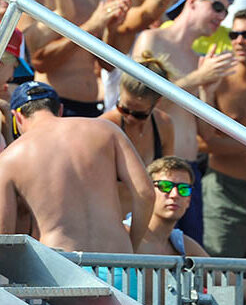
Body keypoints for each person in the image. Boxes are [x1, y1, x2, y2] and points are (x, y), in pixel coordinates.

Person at [131, 0, 237, 243]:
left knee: (188, 248)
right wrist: (197, 78)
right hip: (159, 169)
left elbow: (205, 133)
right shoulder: (152, 39)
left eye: (226, 11)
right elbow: (139, 99)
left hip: (190, 169)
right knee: (150, 246)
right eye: (217, 7)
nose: (221, 17)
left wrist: (207, 92)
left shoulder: (197, 58)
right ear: (192, 2)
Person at [0, 82, 154, 253]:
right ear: (60, 110)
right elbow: (145, 193)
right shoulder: (107, 129)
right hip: (117, 258)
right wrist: (132, 245)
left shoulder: (9, 157)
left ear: (17, 117)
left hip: (60, 261)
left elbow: (4, 235)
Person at [197, 10, 246, 258]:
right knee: (222, 272)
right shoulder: (218, 83)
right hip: (225, 193)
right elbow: (203, 142)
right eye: (234, 35)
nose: (240, 41)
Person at [100, 53, 175, 167]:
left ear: (157, 102)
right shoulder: (105, 125)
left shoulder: (164, 124)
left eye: (139, 115)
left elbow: (168, 171)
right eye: (123, 109)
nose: (129, 117)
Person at [137, 156, 208, 257]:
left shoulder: (184, 244)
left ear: (188, 200)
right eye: (165, 186)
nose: (175, 195)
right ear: (149, 192)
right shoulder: (125, 236)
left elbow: (220, 267)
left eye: (183, 189)